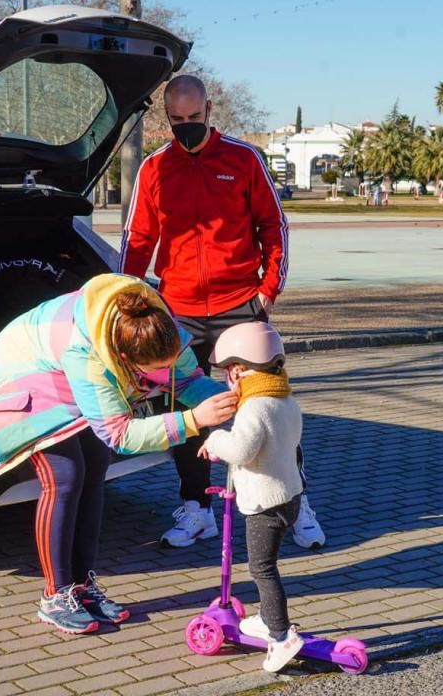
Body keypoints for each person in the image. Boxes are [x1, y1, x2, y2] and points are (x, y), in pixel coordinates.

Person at [120, 74, 326, 550]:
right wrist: (129, 298)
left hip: (241, 306)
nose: (186, 127)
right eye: (177, 121)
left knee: (268, 408)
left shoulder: (243, 158)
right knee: (185, 412)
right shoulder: (154, 169)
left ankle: (296, 505)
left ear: (209, 109)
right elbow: (137, 241)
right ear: (166, 118)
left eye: (194, 118)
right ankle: (197, 509)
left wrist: (267, 292)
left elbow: (273, 226)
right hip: (179, 311)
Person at [0, 273, 237, 635]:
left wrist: (237, 400)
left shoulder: (155, 323)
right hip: (17, 391)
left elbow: (184, 380)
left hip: (63, 381)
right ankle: (56, 596)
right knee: (66, 477)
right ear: (124, 357)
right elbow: (120, 434)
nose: (163, 374)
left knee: (95, 468)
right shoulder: (89, 353)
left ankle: (83, 587)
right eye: (153, 371)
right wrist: (192, 420)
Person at [198, 321, 306, 672]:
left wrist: (215, 441)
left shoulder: (254, 408)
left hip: (265, 504)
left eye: (230, 371)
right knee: (266, 564)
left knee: (262, 568)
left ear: (240, 370)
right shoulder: (284, 398)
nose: (229, 379)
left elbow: (242, 449)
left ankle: (280, 636)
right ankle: (266, 618)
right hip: (289, 496)